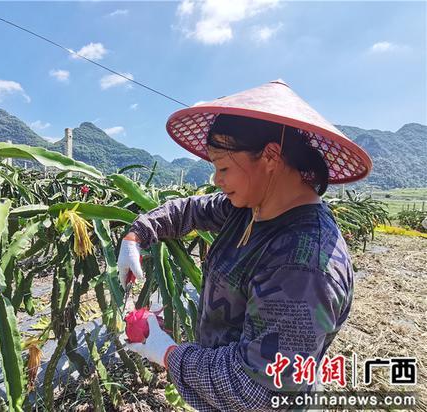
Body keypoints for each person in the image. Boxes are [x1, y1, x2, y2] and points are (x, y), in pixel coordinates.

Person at [117, 80, 372, 411]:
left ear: (270, 156)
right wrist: (137, 234)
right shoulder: (249, 207)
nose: (216, 180)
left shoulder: (304, 264)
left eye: (223, 167)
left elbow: (254, 389)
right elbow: (189, 210)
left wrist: (168, 353)